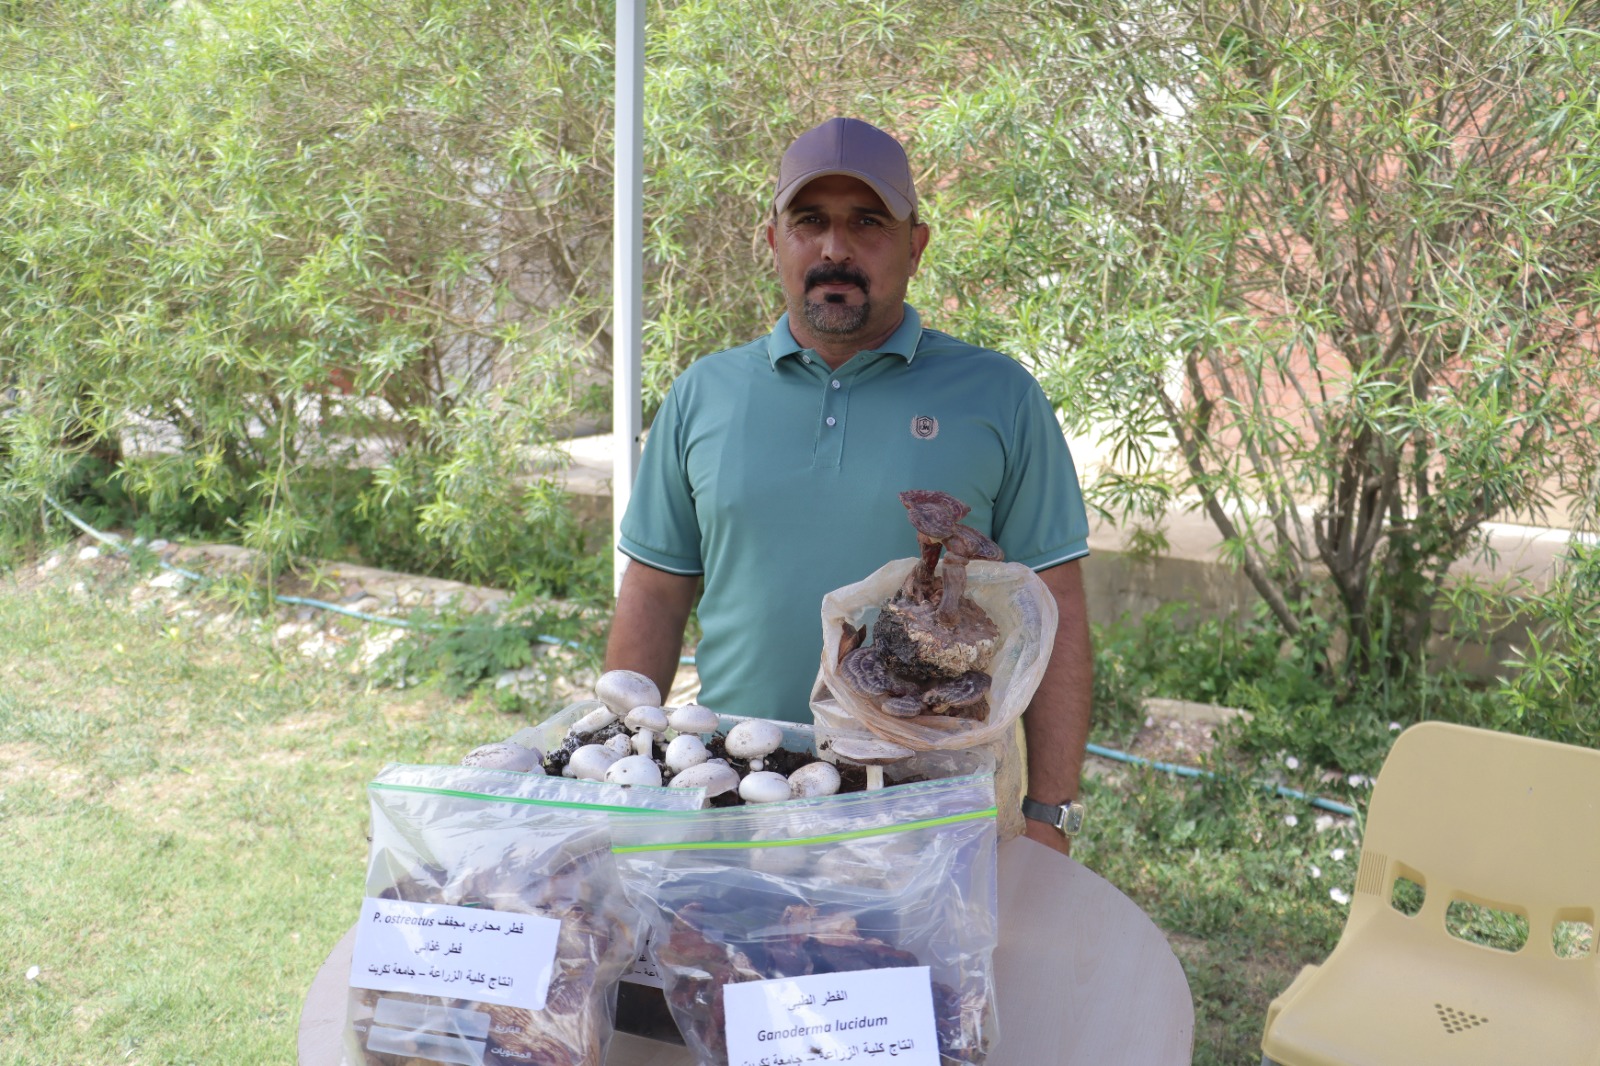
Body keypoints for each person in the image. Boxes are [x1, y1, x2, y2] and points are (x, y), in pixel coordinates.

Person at [605, 117, 1092, 855]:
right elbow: (654, 592)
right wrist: (618, 774)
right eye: (810, 221)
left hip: (927, 811)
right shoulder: (704, 395)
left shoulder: (1000, 397)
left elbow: (1055, 610)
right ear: (774, 240)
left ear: (915, 246)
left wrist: (1049, 817)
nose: (835, 248)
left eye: (867, 222)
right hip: (731, 793)